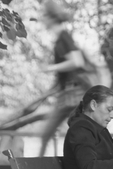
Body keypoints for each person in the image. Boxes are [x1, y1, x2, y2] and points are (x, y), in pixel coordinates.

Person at [38, 0, 87, 156]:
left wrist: (50, 68)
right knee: (48, 133)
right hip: (67, 92)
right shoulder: (60, 38)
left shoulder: (64, 37)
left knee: (49, 132)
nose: (41, 19)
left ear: (51, 18)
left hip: (73, 94)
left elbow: (77, 61)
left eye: (44, 16)